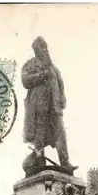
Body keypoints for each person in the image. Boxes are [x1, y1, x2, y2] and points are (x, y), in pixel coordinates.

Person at [21, 36, 77, 172]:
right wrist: (41, 75)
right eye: (42, 47)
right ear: (36, 50)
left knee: (60, 132)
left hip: (54, 105)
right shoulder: (31, 64)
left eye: (46, 46)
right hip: (39, 105)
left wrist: (62, 97)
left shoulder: (53, 68)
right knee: (39, 133)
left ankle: (65, 162)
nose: (45, 49)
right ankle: (40, 159)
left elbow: (60, 82)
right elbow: (25, 80)